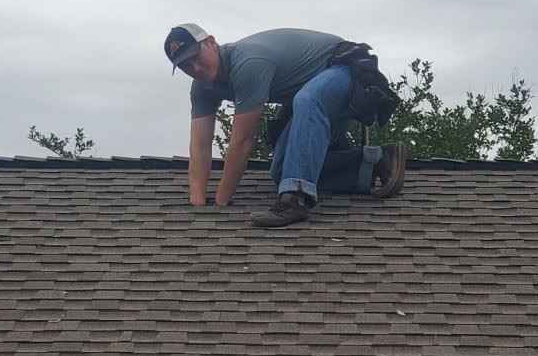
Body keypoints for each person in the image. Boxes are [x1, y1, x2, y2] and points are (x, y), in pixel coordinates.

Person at [164, 23, 406, 227]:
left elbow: (242, 142)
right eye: (185, 66)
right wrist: (198, 207)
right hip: (315, 100)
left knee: (307, 99)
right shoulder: (202, 88)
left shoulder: (247, 62)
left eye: (196, 57)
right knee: (283, 171)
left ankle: (296, 199)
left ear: (211, 42)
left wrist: (221, 204)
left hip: (347, 71)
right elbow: (199, 147)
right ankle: (377, 162)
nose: (195, 68)